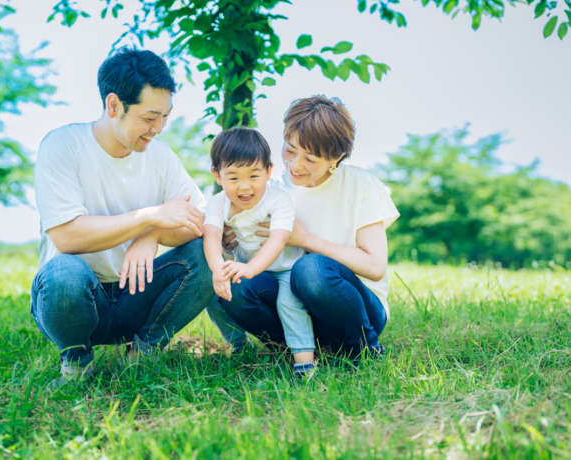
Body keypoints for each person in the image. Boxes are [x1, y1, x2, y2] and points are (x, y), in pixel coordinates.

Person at [30, 48, 213, 389]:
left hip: (136, 291)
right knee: (61, 272)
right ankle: (76, 358)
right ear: (114, 106)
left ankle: (144, 351)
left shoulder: (160, 157)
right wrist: (149, 216)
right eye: (149, 117)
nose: (158, 128)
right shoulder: (62, 145)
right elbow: (68, 237)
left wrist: (152, 234)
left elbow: (199, 219)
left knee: (208, 252)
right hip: (77, 297)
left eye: (165, 117)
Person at [216, 96, 400, 360]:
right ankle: (294, 348)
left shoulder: (360, 185)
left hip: (356, 306)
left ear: (335, 158)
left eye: (311, 159)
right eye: (290, 150)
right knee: (235, 285)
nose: (295, 165)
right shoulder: (272, 191)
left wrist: (304, 239)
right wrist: (230, 244)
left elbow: (374, 266)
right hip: (296, 307)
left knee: (310, 269)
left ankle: (364, 347)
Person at [203, 127, 315, 376]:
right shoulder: (217, 203)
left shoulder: (278, 199)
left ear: (268, 172)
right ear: (217, 176)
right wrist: (217, 270)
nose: (244, 187)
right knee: (213, 296)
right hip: (249, 268)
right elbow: (211, 236)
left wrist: (250, 268)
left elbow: (278, 239)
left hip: (287, 269)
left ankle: (304, 361)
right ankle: (238, 344)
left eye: (254, 176)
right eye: (233, 178)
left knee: (290, 303)